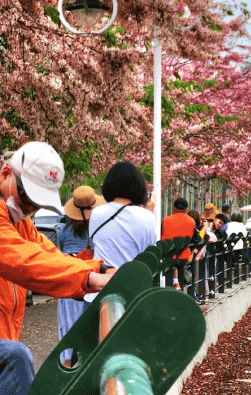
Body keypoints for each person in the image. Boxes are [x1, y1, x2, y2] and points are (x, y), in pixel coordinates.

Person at [0, 142, 113, 394]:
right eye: (29, 198)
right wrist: (89, 277)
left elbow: (47, 253)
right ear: (6, 174)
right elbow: (24, 261)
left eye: (38, 203)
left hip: (6, 335)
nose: (32, 209)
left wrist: (100, 268)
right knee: (15, 358)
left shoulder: (18, 220)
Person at [85, 161, 156, 305]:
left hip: (98, 294)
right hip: (133, 294)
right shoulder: (147, 217)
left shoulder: (96, 214)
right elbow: (150, 254)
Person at [56, 185, 105, 366]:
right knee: (90, 330)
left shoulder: (64, 231)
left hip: (69, 286)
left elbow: (60, 255)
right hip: (91, 283)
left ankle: (68, 369)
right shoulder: (99, 229)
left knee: (68, 329)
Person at [161, 197, 196, 291]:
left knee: (167, 279)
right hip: (184, 254)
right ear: (186, 209)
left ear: (174, 208)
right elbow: (196, 239)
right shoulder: (191, 221)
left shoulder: (166, 220)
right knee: (181, 277)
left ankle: (169, 293)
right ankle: (180, 293)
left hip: (168, 254)